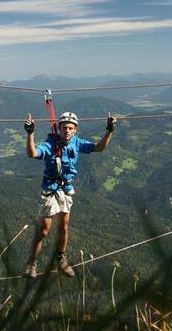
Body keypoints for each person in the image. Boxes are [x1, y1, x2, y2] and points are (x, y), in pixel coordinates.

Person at [23, 111, 116, 278]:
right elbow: (32, 154)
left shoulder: (76, 142)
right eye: (64, 127)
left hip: (66, 189)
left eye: (70, 128)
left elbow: (99, 148)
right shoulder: (50, 144)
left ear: (75, 130)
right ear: (59, 128)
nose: (67, 130)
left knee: (64, 227)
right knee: (44, 230)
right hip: (50, 189)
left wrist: (109, 131)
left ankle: (61, 259)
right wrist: (30, 134)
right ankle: (32, 263)